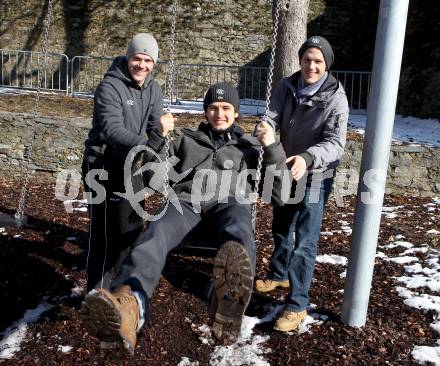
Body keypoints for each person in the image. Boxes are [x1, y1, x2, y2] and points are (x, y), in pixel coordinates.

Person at [79, 82, 287, 354]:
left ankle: (225, 301)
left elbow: (279, 194)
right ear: (205, 111)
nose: (219, 114)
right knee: (155, 232)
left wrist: (271, 147)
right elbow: (153, 180)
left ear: (236, 113)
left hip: (229, 204)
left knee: (239, 231)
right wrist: (161, 136)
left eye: (226, 108)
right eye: (213, 108)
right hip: (185, 205)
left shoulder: (249, 147)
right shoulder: (186, 140)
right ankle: (129, 306)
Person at [254, 36, 349, 332]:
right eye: (307, 59)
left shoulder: (336, 97)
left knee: (305, 240)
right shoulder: (288, 86)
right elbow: (273, 114)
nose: (311, 65)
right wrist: (266, 126)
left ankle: (297, 305)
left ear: (327, 65)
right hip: (285, 164)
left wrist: (308, 158)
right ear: (300, 60)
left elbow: (336, 144)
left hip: (316, 170)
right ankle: (279, 273)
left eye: (318, 61)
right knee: (281, 225)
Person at [81, 33, 175, 293]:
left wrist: (161, 140)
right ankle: (95, 293)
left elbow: (157, 132)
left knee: (131, 229)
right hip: (101, 164)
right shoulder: (110, 86)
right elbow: (112, 130)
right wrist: (150, 141)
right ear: (127, 57)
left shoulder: (154, 89)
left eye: (148, 60)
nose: (142, 65)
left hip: (129, 166)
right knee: (103, 233)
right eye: (137, 58)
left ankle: (122, 290)